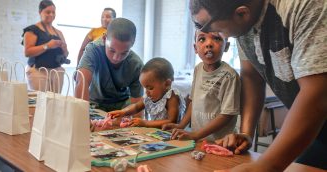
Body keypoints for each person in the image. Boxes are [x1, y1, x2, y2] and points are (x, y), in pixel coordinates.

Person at [189, 0, 327, 171]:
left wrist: (264, 166)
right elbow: (251, 77)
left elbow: (317, 95)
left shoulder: (305, 7)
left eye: (209, 26)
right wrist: (246, 133)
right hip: (319, 131)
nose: (207, 35)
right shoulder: (241, 24)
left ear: (241, 14)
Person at [163, 30, 241, 142]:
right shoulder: (198, 69)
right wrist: (181, 126)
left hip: (220, 143)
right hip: (199, 140)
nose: (209, 44)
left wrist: (195, 135)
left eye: (216, 38)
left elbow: (226, 115)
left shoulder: (229, 76)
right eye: (202, 39)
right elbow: (193, 103)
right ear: (195, 48)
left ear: (226, 46)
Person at [75, 18, 144, 112]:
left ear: (132, 44)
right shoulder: (93, 49)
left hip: (123, 108)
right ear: (104, 38)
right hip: (94, 103)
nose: (116, 58)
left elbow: (137, 104)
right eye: (112, 50)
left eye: (124, 53)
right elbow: (81, 81)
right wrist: (83, 117)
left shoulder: (136, 65)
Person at [108, 57, 186, 128]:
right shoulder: (151, 97)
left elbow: (171, 121)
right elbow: (136, 107)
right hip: (155, 134)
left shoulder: (171, 97)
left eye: (150, 88)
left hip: (170, 136)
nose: (147, 93)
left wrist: (146, 123)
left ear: (167, 84)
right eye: (145, 88)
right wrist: (123, 112)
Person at [22, 0, 68, 93]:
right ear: (40, 12)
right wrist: (48, 46)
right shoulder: (32, 30)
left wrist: (64, 49)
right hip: (38, 71)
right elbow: (27, 52)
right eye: (48, 12)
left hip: (56, 71)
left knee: (56, 101)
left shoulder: (59, 32)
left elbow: (66, 54)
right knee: (40, 102)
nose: (51, 15)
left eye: (53, 12)